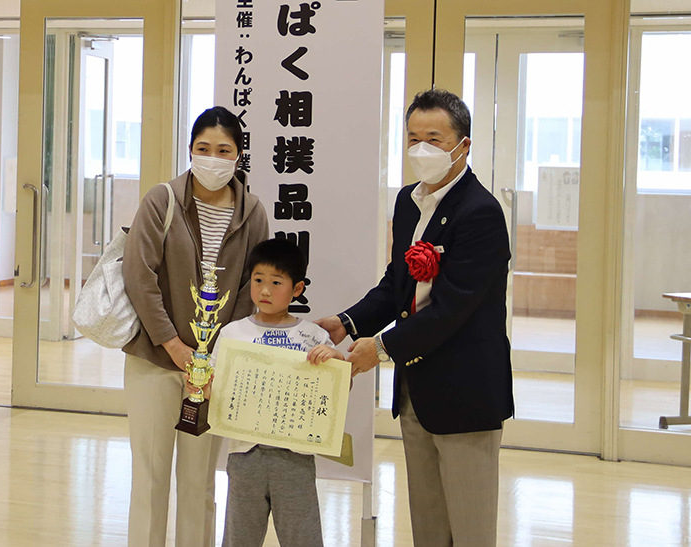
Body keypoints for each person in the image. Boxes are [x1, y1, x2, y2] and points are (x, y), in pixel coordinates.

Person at [315, 88, 514, 547]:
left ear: (463, 146)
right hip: (416, 393)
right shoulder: (408, 202)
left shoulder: (481, 212)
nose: (421, 149)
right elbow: (396, 284)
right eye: (413, 138)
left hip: (466, 392)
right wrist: (347, 321)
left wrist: (380, 348)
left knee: (470, 529)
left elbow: (451, 309)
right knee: (427, 525)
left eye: (435, 138)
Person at [122, 106, 270, 547]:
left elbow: (253, 288)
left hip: (215, 370)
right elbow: (139, 276)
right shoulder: (162, 200)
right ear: (190, 150)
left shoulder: (253, 212)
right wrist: (173, 345)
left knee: (200, 485)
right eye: (203, 148)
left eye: (224, 150)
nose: (212, 158)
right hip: (154, 360)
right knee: (149, 481)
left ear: (239, 156)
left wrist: (215, 355)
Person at [199, 238, 343, 547]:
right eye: (258, 280)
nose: (264, 290)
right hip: (244, 455)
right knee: (240, 537)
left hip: (296, 459)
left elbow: (338, 390)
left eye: (276, 282)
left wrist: (338, 360)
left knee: (302, 537)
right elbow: (216, 390)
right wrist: (201, 385)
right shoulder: (232, 333)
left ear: (297, 289)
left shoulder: (313, 336)